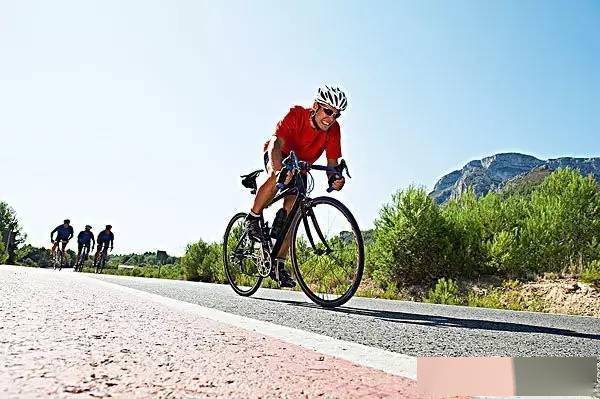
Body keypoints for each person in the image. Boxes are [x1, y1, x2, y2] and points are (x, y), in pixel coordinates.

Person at [245, 85, 348, 288]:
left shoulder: (333, 130)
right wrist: (277, 170)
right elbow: (275, 142)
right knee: (277, 179)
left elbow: (332, 163)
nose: (331, 118)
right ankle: (253, 218)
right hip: (279, 153)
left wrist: (335, 178)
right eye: (328, 111)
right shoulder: (297, 114)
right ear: (316, 106)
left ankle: (278, 265)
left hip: (300, 166)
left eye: (336, 114)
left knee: (291, 216)